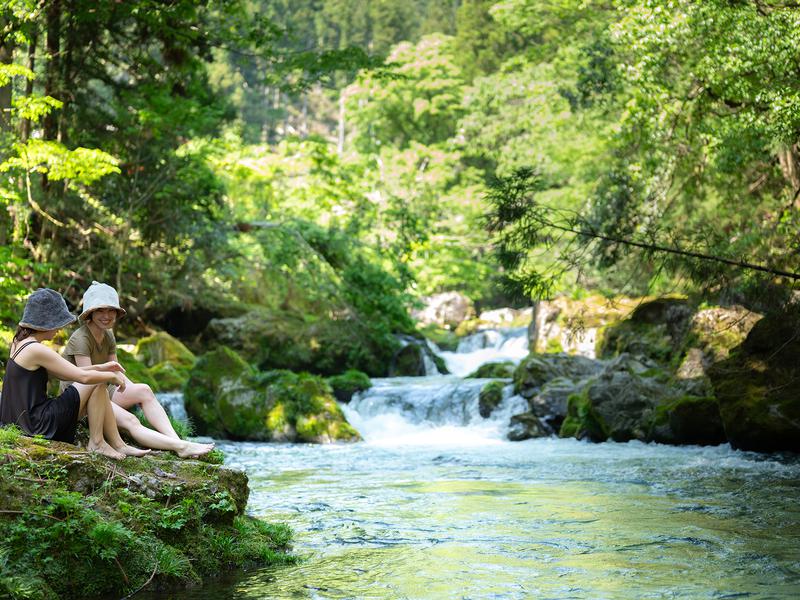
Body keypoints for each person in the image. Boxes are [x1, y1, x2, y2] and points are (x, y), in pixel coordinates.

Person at [62, 281, 213, 459]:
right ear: (90, 313)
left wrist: (130, 389)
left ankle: (177, 441)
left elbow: (116, 370)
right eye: (100, 310)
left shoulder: (108, 334)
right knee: (131, 420)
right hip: (84, 399)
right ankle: (179, 447)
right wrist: (116, 383)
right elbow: (87, 378)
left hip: (103, 389)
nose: (107, 316)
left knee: (144, 390)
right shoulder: (80, 339)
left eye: (111, 310)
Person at [0, 288, 149, 460]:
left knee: (97, 382)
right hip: (38, 423)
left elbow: (67, 374)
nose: (59, 330)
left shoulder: (19, 342)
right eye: (58, 324)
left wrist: (102, 368)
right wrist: (111, 377)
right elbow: (83, 378)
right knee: (97, 383)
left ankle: (117, 444)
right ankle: (98, 443)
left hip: (22, 420)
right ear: (46, 322)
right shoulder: (36, 349)